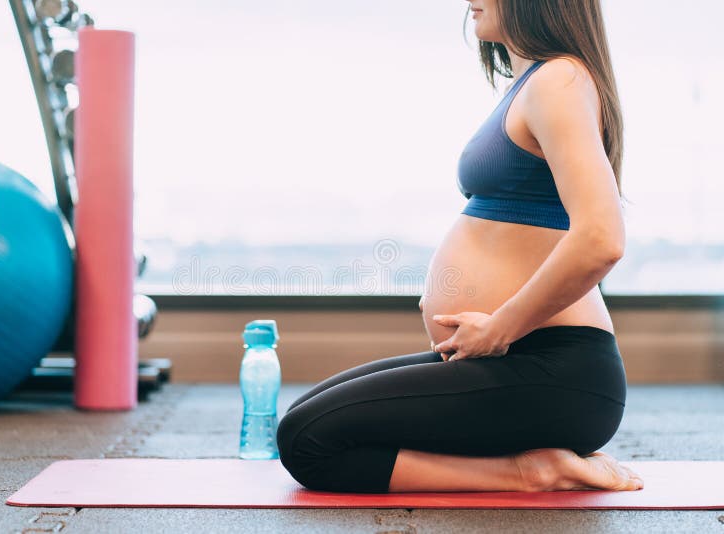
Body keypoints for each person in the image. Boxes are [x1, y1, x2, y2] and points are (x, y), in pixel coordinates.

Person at [276, 0, 644, 494]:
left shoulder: (560, 80)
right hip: (512, 358)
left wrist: (498, 327)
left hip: (552, 367)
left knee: (307, 440)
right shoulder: (535, 83)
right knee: (305, 414)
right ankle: (531, 460)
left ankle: (532, 471)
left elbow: (601, 239)